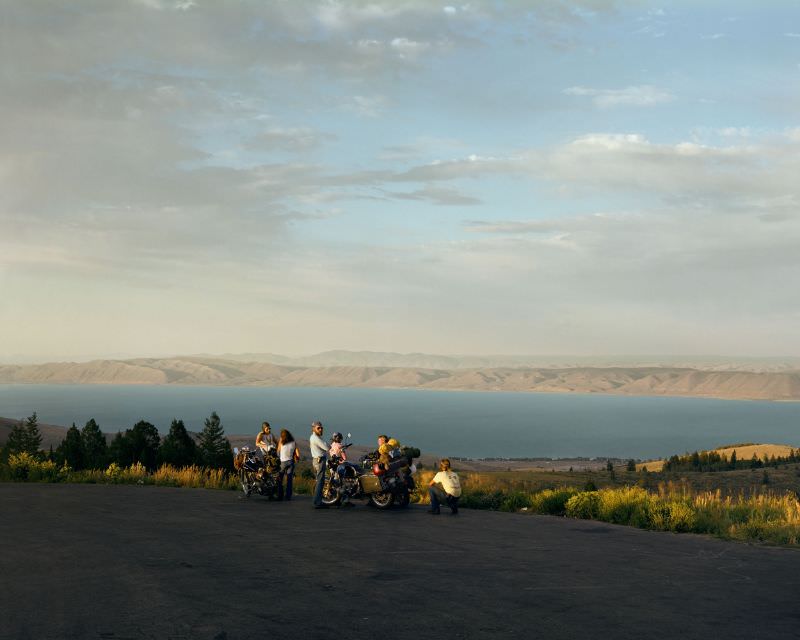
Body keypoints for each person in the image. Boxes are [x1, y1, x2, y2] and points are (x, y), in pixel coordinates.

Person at [309, 421, 328, 509]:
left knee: (320, 480)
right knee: (320, 481)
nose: (320, 429)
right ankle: (317, 502)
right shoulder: (315, 438)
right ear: (313, 428)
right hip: (319, 461)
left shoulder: (316, 437)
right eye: (318, 428)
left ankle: (318, 500)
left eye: (321, 427)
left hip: (318, 460)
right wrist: (329, 446)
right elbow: (326, 447)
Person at [277, 428, 299, 501]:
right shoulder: (293, 442)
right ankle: (288, 496)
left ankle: (280, 495)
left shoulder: (281, 441)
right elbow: (297, 452)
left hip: (282, 462)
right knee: (289, 480)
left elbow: (278, 452)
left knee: (280, 479)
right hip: (290, 462)